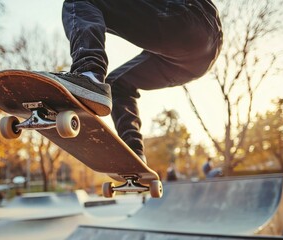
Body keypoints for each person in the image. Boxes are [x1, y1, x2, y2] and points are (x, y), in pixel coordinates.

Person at [42, 0, 222, 164]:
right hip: (194, 60)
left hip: (190, 16)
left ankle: (88, 73)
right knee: (118, 85)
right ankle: (134, 153)